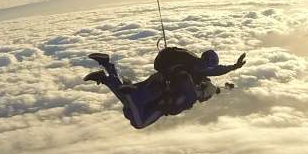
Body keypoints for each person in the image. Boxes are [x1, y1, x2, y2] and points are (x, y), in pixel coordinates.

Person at [84, 49, 245, 129]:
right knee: (138, 121)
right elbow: (213, 73)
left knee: (130, 104)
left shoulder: (189, 66)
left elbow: (214, 81)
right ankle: (108, 74)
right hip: (162, 99)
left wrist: (227, 79)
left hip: (158, 83)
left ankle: (106, 71)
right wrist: (233, 67)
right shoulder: (197, 71)